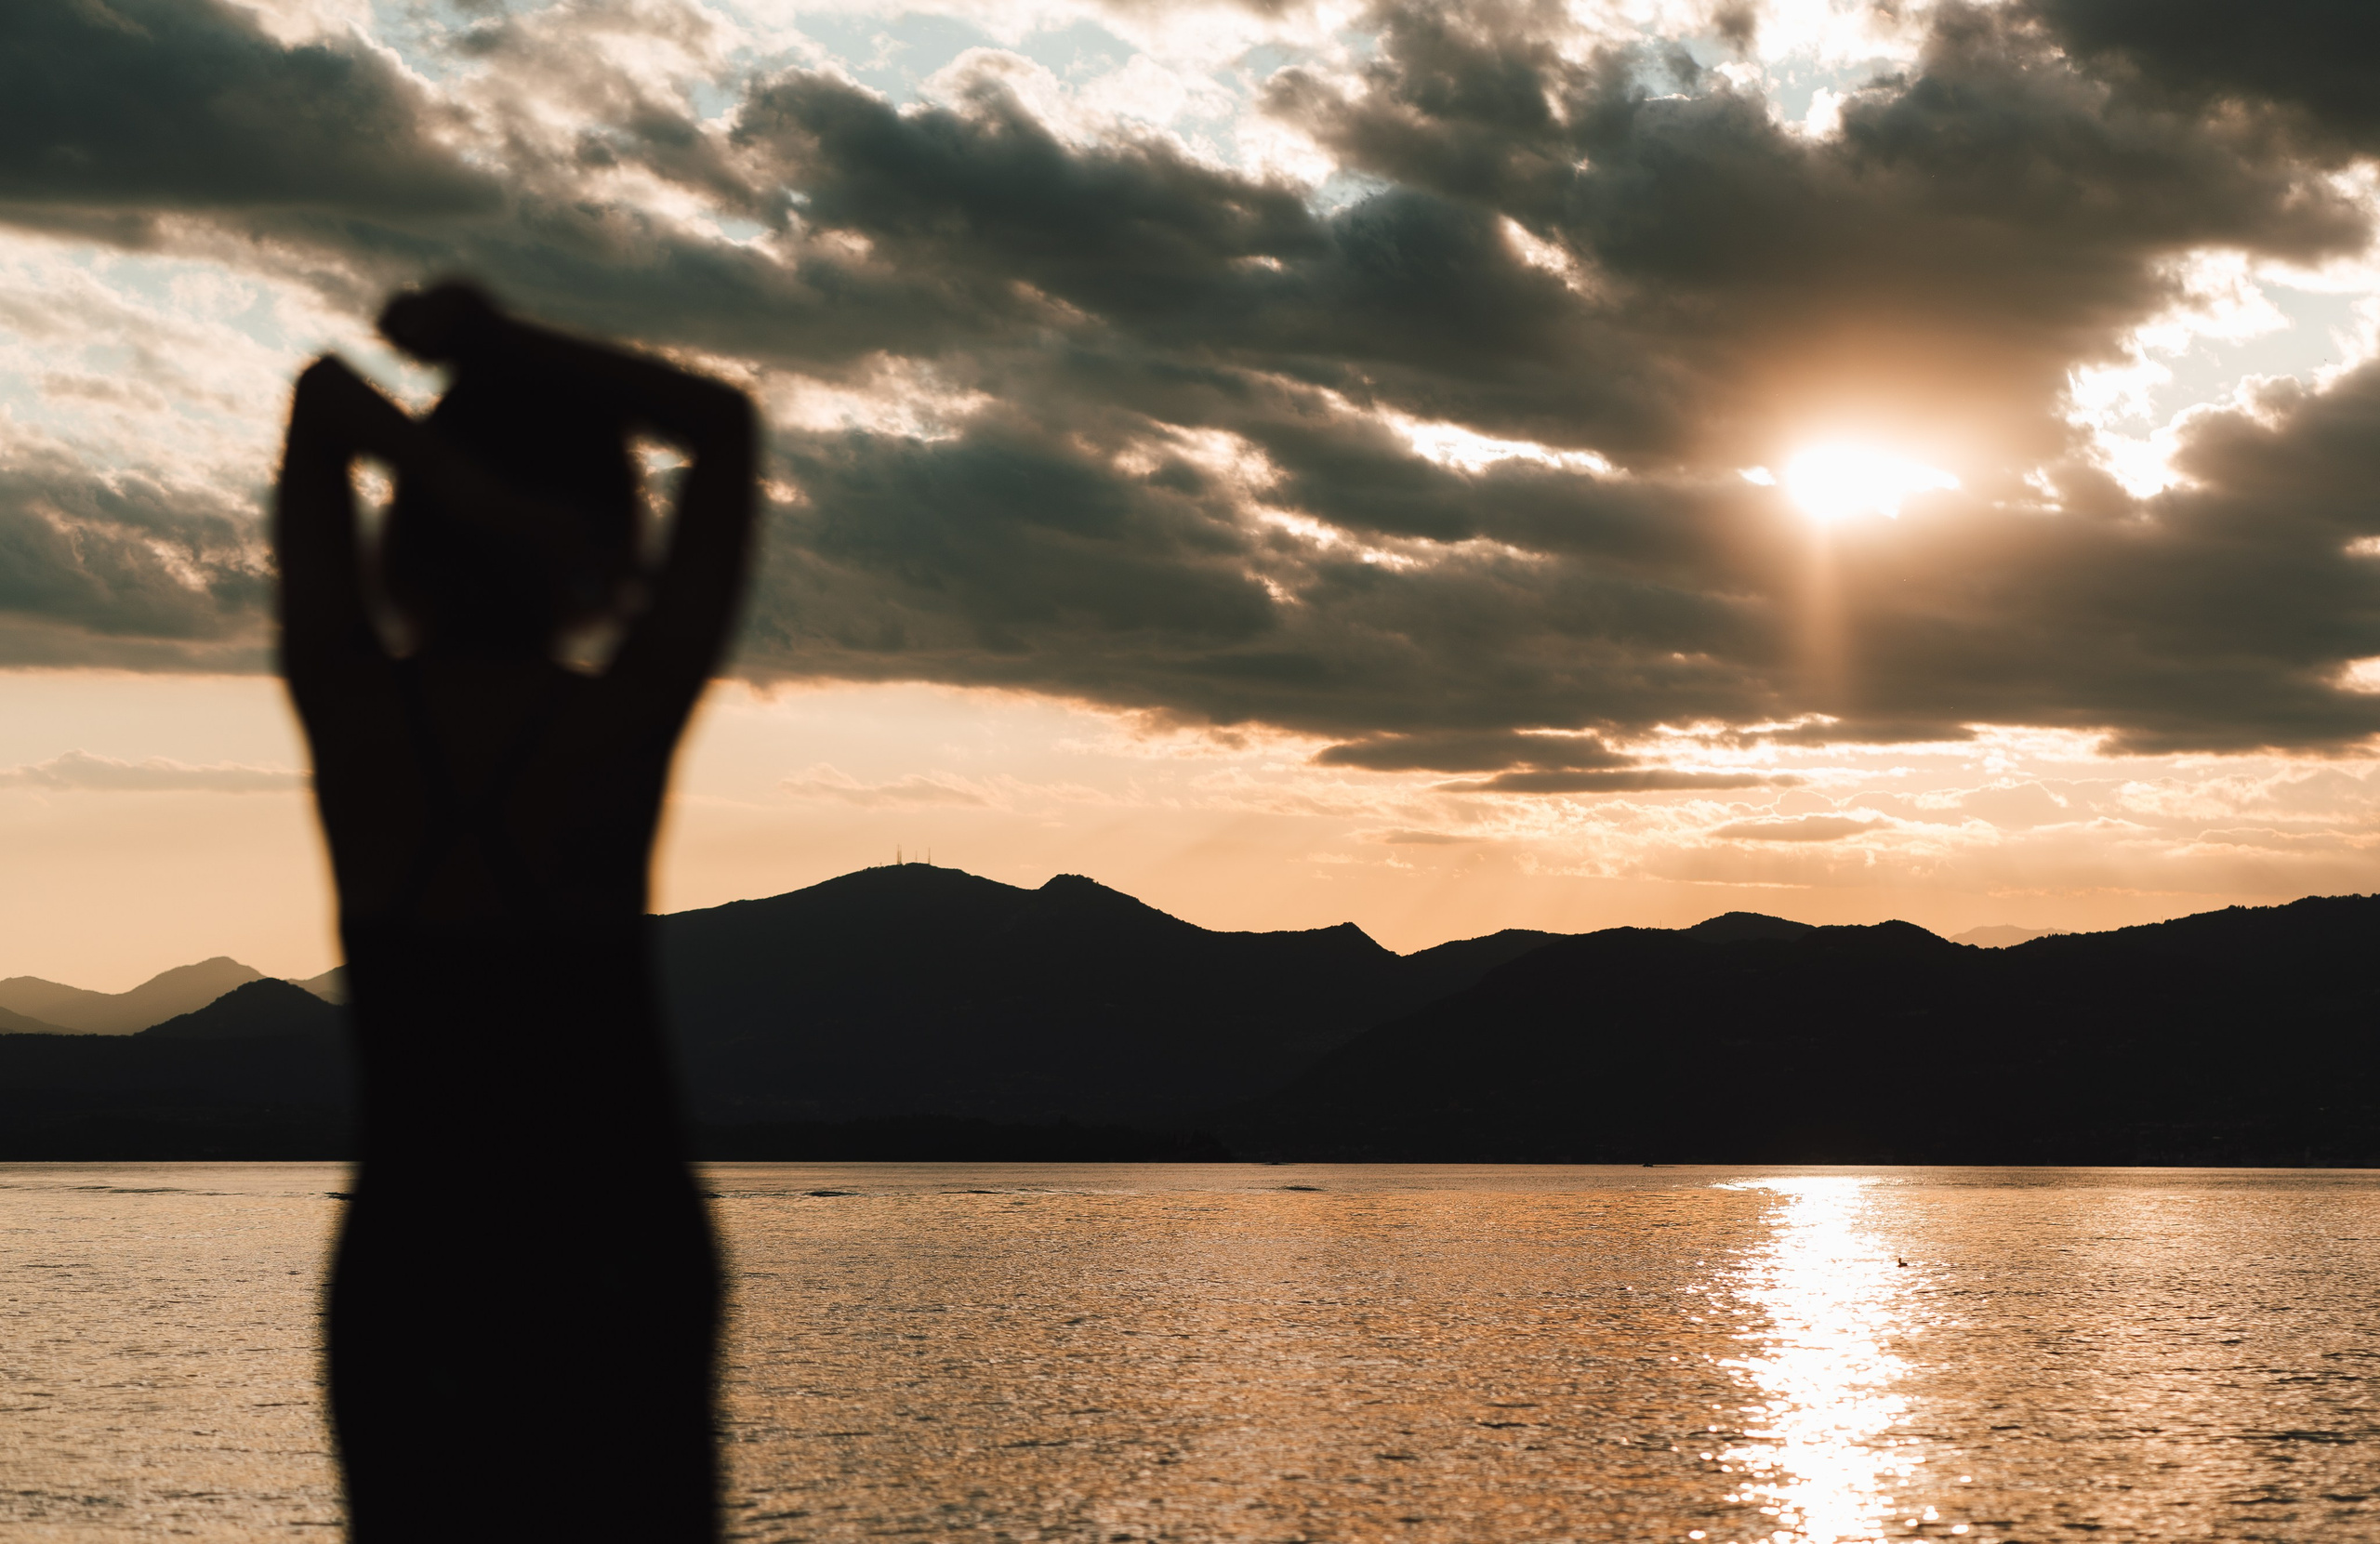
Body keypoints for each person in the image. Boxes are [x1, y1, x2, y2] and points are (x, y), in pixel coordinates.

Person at [273, 282, 757, 1541]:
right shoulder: (618, 725)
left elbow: (321, 401)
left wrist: (466, 489)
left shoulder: (353, 711)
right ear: (603, 528)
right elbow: (724, 426)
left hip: (416, 1265)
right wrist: (499, 341)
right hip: (615, 1255)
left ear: (411, 531)